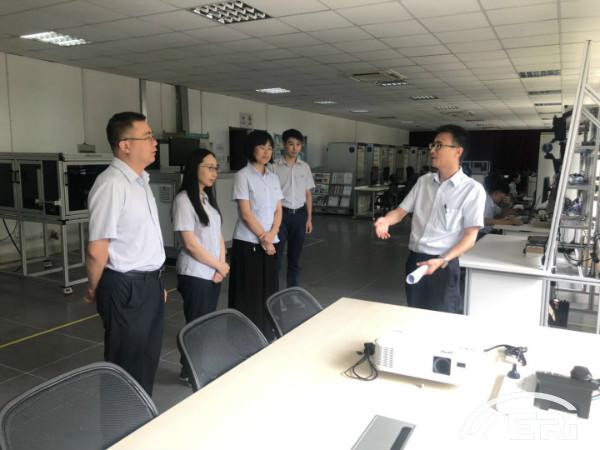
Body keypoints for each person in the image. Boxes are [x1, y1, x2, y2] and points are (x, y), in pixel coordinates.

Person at [85, 111, 166, 395]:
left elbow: (141, 240)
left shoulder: (141, 181)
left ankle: (142, 418)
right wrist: (95, 288)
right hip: (125, 287)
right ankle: (121, 420)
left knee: (146, 359)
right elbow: (97, 249)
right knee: (126, 367)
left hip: (148, 284)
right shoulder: (111, 184)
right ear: (125, 145)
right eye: (148, 137)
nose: (155, 142)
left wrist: (155, 282)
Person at [374, 124, 486, 314]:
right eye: (432, 145)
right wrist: (385, 220)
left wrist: (442, 259)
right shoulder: (424, 181)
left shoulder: (472, 190)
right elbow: (400, 211)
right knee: (414, 313)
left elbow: (469, 237)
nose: (432, 150)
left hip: (443, 263)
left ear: (458, 151)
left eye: (439, 145)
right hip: (415, 260)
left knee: (441, 318)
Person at [172, 148, 229, 381]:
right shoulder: (183, 200)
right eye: (209, 167)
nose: (214, 173)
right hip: (195, 273)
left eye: (216, 168)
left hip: (213, 272)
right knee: (196, 324)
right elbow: (190, 244)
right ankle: (190, 371)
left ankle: (195, 366)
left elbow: (218, 235)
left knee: (205, 324)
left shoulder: (206, 199)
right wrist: (218, 265)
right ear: (194, 168)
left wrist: (221, 265)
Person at [229, 130, 283, 339]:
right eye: (261, 147)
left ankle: (268, 331)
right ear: (251, 149)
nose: (266, 152)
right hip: (248, 242)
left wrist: (272, 234)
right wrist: (264, 237)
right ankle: (246, 336)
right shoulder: (242, 176)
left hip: (270, 242)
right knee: (249, 291)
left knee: (269, 288)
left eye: (269, 148)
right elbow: (246, 213)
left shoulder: (273, 178)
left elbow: (278, 210)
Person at [272, 128, 315, 287]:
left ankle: (293, 290)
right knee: (276, 256)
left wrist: (309, 219)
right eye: (291, 144)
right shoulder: (274, 167)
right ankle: (273, 290)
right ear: (284, 145)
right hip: (280, 215)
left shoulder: (305, 167)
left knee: (295, 258)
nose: (294, 148)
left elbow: (308, 194)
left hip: (300, 216)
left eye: (298, 144)